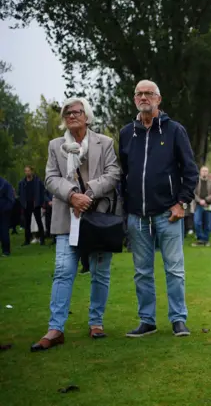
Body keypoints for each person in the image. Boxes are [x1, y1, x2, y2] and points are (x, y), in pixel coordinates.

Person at [31, 97, 120, 351]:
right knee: (62, 271)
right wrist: (71, 195)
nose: (71, 116)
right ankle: (55, 328)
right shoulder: (55, 145)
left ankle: (96, 323)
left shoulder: (105, 143)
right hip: (66, 218)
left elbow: (113, 174)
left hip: (98, 218)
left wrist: (88, 193)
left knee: (100, 273)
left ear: (87, 116)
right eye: (67, 112)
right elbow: (50, 178)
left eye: (76, 112)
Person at [119, 80, 198, 338]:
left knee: (174, 269)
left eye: (149, 93)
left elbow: (190, 171)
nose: (144, 97)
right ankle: (147, 321)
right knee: (142, 272)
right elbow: (123, 174)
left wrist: (181, 203)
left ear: (158, 99)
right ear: (134, 99)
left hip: (168, 213)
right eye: (139, 94)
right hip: (137, 216)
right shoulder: (126, 133)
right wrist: (125, 209)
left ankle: (178, 319)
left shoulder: (175, 130)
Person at [18, 165, 46, 246]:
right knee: (27, 223)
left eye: (28, 171)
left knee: (39, 222)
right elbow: (20, 193)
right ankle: (27, 240)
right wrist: (22, 203)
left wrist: (41, 203)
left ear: (31, 171)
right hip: (27, 204)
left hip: (35, 204)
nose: (27, 172)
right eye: (26, 171)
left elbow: (42, 192)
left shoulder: (37, 181)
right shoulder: (22, 183)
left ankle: (42, 240)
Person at [192, 166, 211, 247]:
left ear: (208, 172)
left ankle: (205, 240)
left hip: (209, 205)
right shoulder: (195, 181)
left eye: (206, 171)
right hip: (198, 205)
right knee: (197, 222)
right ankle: (201, 239)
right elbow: (193, 193)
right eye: (203, 171)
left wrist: (205, 200)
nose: (204, 172)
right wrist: (200, 201)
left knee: (208, 224)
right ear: (200, 172)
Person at [0, 176, 15, 257]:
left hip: (4, 211)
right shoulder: (5, 183)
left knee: (4, 230)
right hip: (5, 209)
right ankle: (5, 250)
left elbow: (11, 199)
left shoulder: (5, 183)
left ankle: (6, 250)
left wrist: (7, 209)